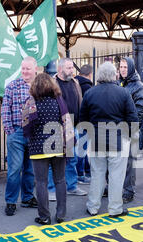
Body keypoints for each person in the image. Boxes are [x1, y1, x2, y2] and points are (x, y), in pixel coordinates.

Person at [79, 61, 138, 217]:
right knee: (116, 176)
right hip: (117, 138)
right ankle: (115, 208)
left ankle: (92, 206)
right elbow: (133, 118)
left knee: (97, 174)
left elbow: (82, 119)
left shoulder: (90, 93)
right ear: (114, 75)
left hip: (96, 138)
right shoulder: (123, 93)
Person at [23, 73, 74, 225]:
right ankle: (61, 214)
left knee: (41, 182)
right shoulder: (59, 102)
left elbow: (25, 125)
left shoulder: (30, 103)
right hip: (57, 145)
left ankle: (44, 216)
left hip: (38, 148)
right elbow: (67, 124)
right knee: (60, 180)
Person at [1, 57, 38, 216]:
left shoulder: (40, 87)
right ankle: (10, 201)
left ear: (35, 69)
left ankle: (27, 198)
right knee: (14, 169)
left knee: (30, 169)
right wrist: (10, 130)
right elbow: (5, 109)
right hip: (16, 133)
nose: (24, 71)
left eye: (28, 68)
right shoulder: (12, 86)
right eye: (23, 68)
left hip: (34, 135)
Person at [48, 58, 87, 200]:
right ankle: (51, 189)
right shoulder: (52, 84)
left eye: (72, 68)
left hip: (73, 127)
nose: (72, 70)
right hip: (56, 127)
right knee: (54, 159)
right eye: (69, 68)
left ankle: (72, 187)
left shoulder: (75, 82)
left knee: (72, 159)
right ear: (60, 69)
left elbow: (80, 101)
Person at [119, 57, 143, 203]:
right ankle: (115, 186)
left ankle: (129, 191)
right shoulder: (119, 83)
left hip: (130, 129)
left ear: (130, 68)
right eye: (121, 67)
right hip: (117, 129)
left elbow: (140, 111)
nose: (122, 69)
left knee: (129, 162)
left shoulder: (138, 86)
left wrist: (132, 129)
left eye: (125, 67)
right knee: (117, 160)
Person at [75, 64, 93, 185]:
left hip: (76, 119)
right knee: (82, 149)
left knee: (81, 148)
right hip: (85, 121)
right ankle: (80, 174)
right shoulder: (87, 87)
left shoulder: (74, 83)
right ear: (90, 74)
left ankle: (87, 171)